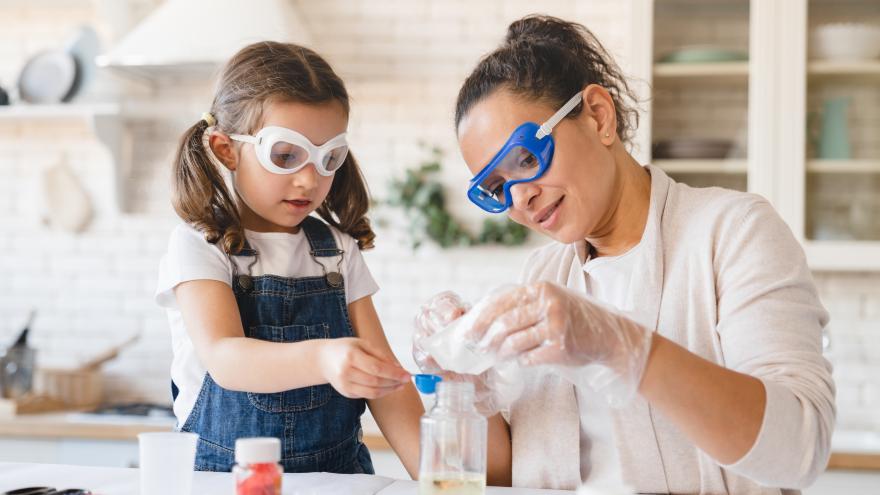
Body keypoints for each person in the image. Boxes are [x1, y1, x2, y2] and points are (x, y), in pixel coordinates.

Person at [415, 15, 835, 494]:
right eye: (495, 188)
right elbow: (510, 478)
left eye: (526, 159)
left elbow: (800, 448)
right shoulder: (543, 275)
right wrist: (464, 391)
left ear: (598, 115)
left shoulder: (733, 233)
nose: (519, 199)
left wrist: (623, 346)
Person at [155, 41, 422, 475]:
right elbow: (225, 358)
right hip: (222, 480)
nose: (309, 179)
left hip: (338, 480)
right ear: (226, 149)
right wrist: (324, 359)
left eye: (328, 157)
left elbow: (385, 383)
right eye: (285, 155)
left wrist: (437, 478)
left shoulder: (337, 252)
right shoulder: (201, 246)